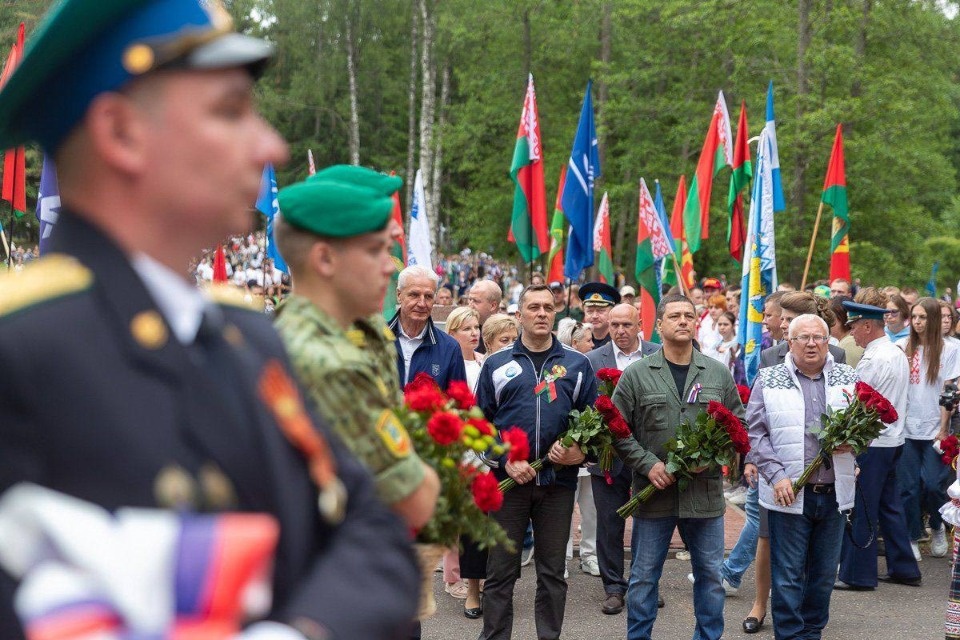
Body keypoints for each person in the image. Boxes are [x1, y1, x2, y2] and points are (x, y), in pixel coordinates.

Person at [0, 2, 419, 638]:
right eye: (229, 112)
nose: (270, 145)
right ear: (121, 134)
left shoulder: (243, 334)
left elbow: (371, 528)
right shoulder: (19, 350)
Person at [273, 165, 440, 529]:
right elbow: (415, 499)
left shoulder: (355, 330)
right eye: (376, 251)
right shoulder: (328, 361)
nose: (389, 269)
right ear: (325, 259)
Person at [612, 294, 744, 640]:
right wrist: (648, 464)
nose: (683, 321)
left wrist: (709, 459)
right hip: (652, 493)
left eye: (689, 315)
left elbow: (738, 426)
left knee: (711, 577)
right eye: (675, 316)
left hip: (705, 496)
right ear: (659, 325)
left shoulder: (716, 372)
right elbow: (617, 428)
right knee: (643, 577)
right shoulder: (637, 375)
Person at [475, 284, 598, 640]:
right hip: (509, 486)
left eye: (548, 307)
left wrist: (580, 453)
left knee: (552, 573)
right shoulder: (498, 364)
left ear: (555, 313)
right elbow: (479, 423)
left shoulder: (576, 364)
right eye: (534, 307)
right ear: (520, 315)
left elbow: (593, 422)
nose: (542, 313)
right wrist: (505, 458)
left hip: (558, 486)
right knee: (500, 572)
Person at [748, 313, 858, 640]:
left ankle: (811, 634)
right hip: (789, 493)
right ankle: (790, 635)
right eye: (803, 338)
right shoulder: (769, 378)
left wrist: (855, 448)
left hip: (835, 492)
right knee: (787, 577)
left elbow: (865, 428)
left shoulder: (847, 377)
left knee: (824, 576)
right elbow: (755, 432)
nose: (812, 344)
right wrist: (777, 475)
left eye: (819, 338)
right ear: (790, 343)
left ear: (829, 342)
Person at [835, 294, 920, 590]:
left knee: (863, 507)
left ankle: (858, 574)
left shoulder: (874, 356)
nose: (852, 333)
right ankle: (904, 568)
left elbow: (857, 402)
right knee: (889, 506)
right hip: (892, 439)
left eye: (854, 327)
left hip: (874, 442)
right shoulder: (894, 351)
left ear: (867, 327)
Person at [585, 303, 660, 616]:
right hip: (609, 456)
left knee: (650, 522)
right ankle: (613, 587)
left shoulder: (658, 354)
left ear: (639, 323)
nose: (620, 331)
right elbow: (586, 405)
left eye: (626, 325)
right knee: (609, 524)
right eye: (614, 325)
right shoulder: (591, 361)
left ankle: (644, 583)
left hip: (649, 455)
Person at [897, 297, 960, 560]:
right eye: (914, 317)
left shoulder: (949, 349)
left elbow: (949, 390)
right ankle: (913, 535)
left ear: (933, 320)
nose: (918, 322)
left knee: (935, 485)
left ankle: (935, 525)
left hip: (935, 429)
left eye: (923, 317)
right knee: (909, 486)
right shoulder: (902, 346)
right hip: (906, 430)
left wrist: (944, 427)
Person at [556, 319, 600, 581]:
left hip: (587, 453)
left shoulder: (589, 366)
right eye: (588, 341)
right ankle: (559, 558)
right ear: (575, 344)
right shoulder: (560, 368)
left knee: (591, 507)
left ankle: (590, 554)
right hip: (564, 452)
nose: (592, 345)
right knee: (562, 509)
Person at [388, 264, 467, 389]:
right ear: (399, 295)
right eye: (414, 295)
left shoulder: (449, 348)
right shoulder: (375, 339)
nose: (422, 303)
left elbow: (459, 402)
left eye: (428, 296)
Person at [760, 292, 847, 367]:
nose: (782, 325)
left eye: (790, 320)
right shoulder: (769, 356)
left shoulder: (836, 355)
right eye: (782, 319)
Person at [580, 281, 621, 349]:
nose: (594, 316)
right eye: (590, 311)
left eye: (601, 311)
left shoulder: (620, 341)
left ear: (612, 312)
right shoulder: (579, 341)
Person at [467, 280, 503, 354]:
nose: (470, 305)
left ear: (493, 306)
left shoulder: (507, 331)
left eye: (476, 301)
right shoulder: (462, 327)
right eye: (470, 300)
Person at [829, 296, 864, 368]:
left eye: (831, 318)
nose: (827, 322)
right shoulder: (847, 341)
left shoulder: (849, 344)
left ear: (841, 319)